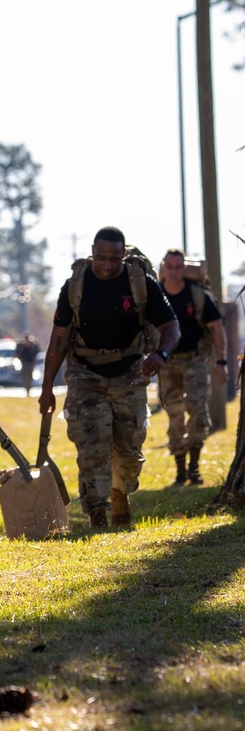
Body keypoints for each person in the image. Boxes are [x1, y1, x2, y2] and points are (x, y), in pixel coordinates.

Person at [38, 226, 178, 531]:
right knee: (91, 446)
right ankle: (97, 514)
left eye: (114, 258)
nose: (107, 264)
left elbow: (171, 327)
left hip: (130, 373)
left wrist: (161, 355)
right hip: (86, 374)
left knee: (128, 453)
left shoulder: (142, 284)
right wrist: (47, 389)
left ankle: (119, 493)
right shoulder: (75, 286)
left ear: (124, 255)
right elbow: (58, 340)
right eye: (101, 257)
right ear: (92, 253)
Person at [157, 248, 227, 485]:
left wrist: (221, 362)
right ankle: (180, 471)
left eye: (179, 267)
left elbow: (217, 328)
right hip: (168, 364)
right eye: (170, 267)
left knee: (198, 411)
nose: (174, 272)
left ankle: (194, 468)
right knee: (175, 414)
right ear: (163, 268)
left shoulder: (198, 296)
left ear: (184, 269)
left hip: (195, 361)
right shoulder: (157, 297)